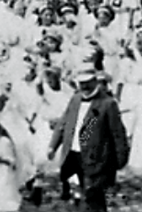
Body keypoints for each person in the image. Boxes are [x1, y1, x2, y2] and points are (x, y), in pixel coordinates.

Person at [48, 68, 129, 212]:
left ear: (95, 82)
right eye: (81, 84)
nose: (84, 87)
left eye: (87, 83)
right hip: (73, 155)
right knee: (78, 196)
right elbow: (64, 122)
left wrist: (120, 159)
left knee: (93, 197)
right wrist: (53, 146)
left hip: (96, 158)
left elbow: (118, 133)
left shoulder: (107, 104)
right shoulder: (75, 99)